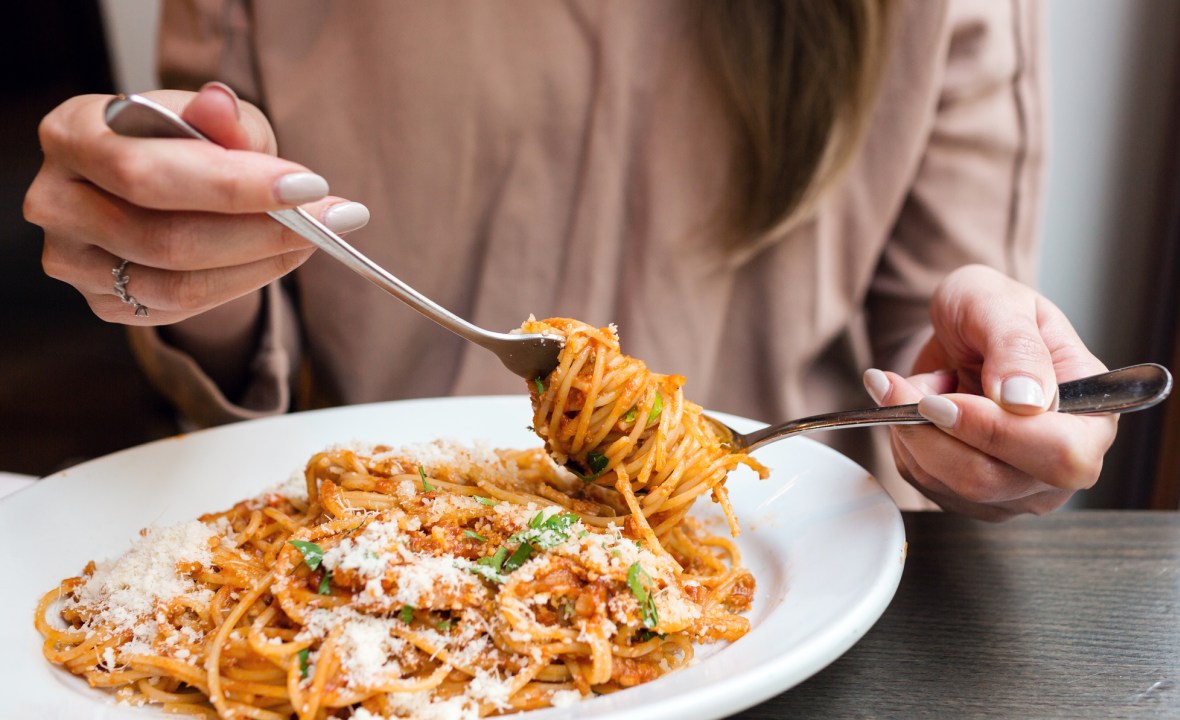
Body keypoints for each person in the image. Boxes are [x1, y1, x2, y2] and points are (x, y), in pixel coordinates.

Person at [24, 0, 1115, 520]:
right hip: (382, 548)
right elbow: (233, 366)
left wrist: (973, 430)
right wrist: (172, 252)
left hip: (776, 574)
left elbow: (934, 359)